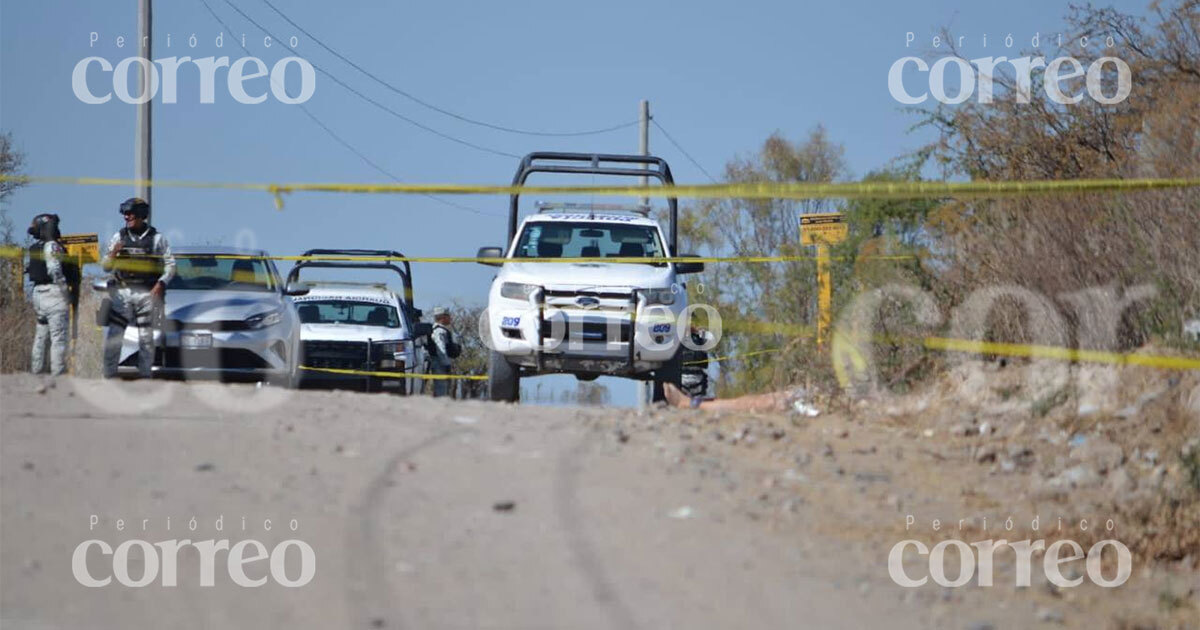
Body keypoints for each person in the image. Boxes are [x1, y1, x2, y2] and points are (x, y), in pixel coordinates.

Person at [101, 197, 175, 379]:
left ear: (142, 215)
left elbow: (171, 265)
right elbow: (105, 266)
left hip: (146, 294)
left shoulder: (157, 239)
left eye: (130, 213)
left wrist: (161, 283)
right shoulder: (118, 237)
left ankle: (145, 377)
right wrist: (113, 253)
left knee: (146, 339)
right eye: (125, 214)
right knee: (114, 336)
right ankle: (109, 376)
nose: (126, 217)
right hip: (123, 293)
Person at [26, 213, 73, 375]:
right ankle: (58, 375)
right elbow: (54, 269)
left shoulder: (34, 248)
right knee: (58, 338)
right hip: (53, 293)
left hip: (38, 294)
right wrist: (64, 290)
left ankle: (37, 372)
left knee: (41, 338)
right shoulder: (52, 246)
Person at [427, 306, 459, 397]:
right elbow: (440, 349)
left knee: (443, 388)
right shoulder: (439, 331)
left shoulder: (441, 330)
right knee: (441, 388)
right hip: (440, 363)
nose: (450, 318)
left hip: (440, 362)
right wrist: (446, 364)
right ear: (443, 317)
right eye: (448, 316)